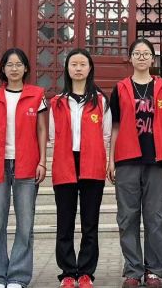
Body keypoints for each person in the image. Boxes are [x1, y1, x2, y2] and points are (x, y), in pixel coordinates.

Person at [107, 38, 162, 288]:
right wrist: (111, 159)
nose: (142, 57)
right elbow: (114, 126)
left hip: (157, 160)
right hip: (126, 159)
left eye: (146, 53)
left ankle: (155, 271)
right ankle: (133, 271)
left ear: (153, 59)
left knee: (156, 217)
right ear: (131, 58)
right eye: (137, 53)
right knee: (127, 217)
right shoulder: (120, 88)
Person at [0, 48, 48, 288]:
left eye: (19, 64)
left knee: (25, 224)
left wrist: (42, 161)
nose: (14, 68)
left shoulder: (37, 95)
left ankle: (18, 276)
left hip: (27, 164)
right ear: (3, 68)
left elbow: (42, 129)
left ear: (26, 68)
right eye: (10, 64)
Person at [49, 48, 111, 288]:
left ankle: (85, 273)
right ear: (67, 69)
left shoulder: (100, 101)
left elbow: (106, 135)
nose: (78, 68)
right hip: (65, 163)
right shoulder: (57, 102)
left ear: (90, 68)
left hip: (92, 165)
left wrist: (105, 161)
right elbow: (52, 136)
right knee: (64, 222)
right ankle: (67, 272)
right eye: (73, 64)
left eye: (82, 64)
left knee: (89, 223)